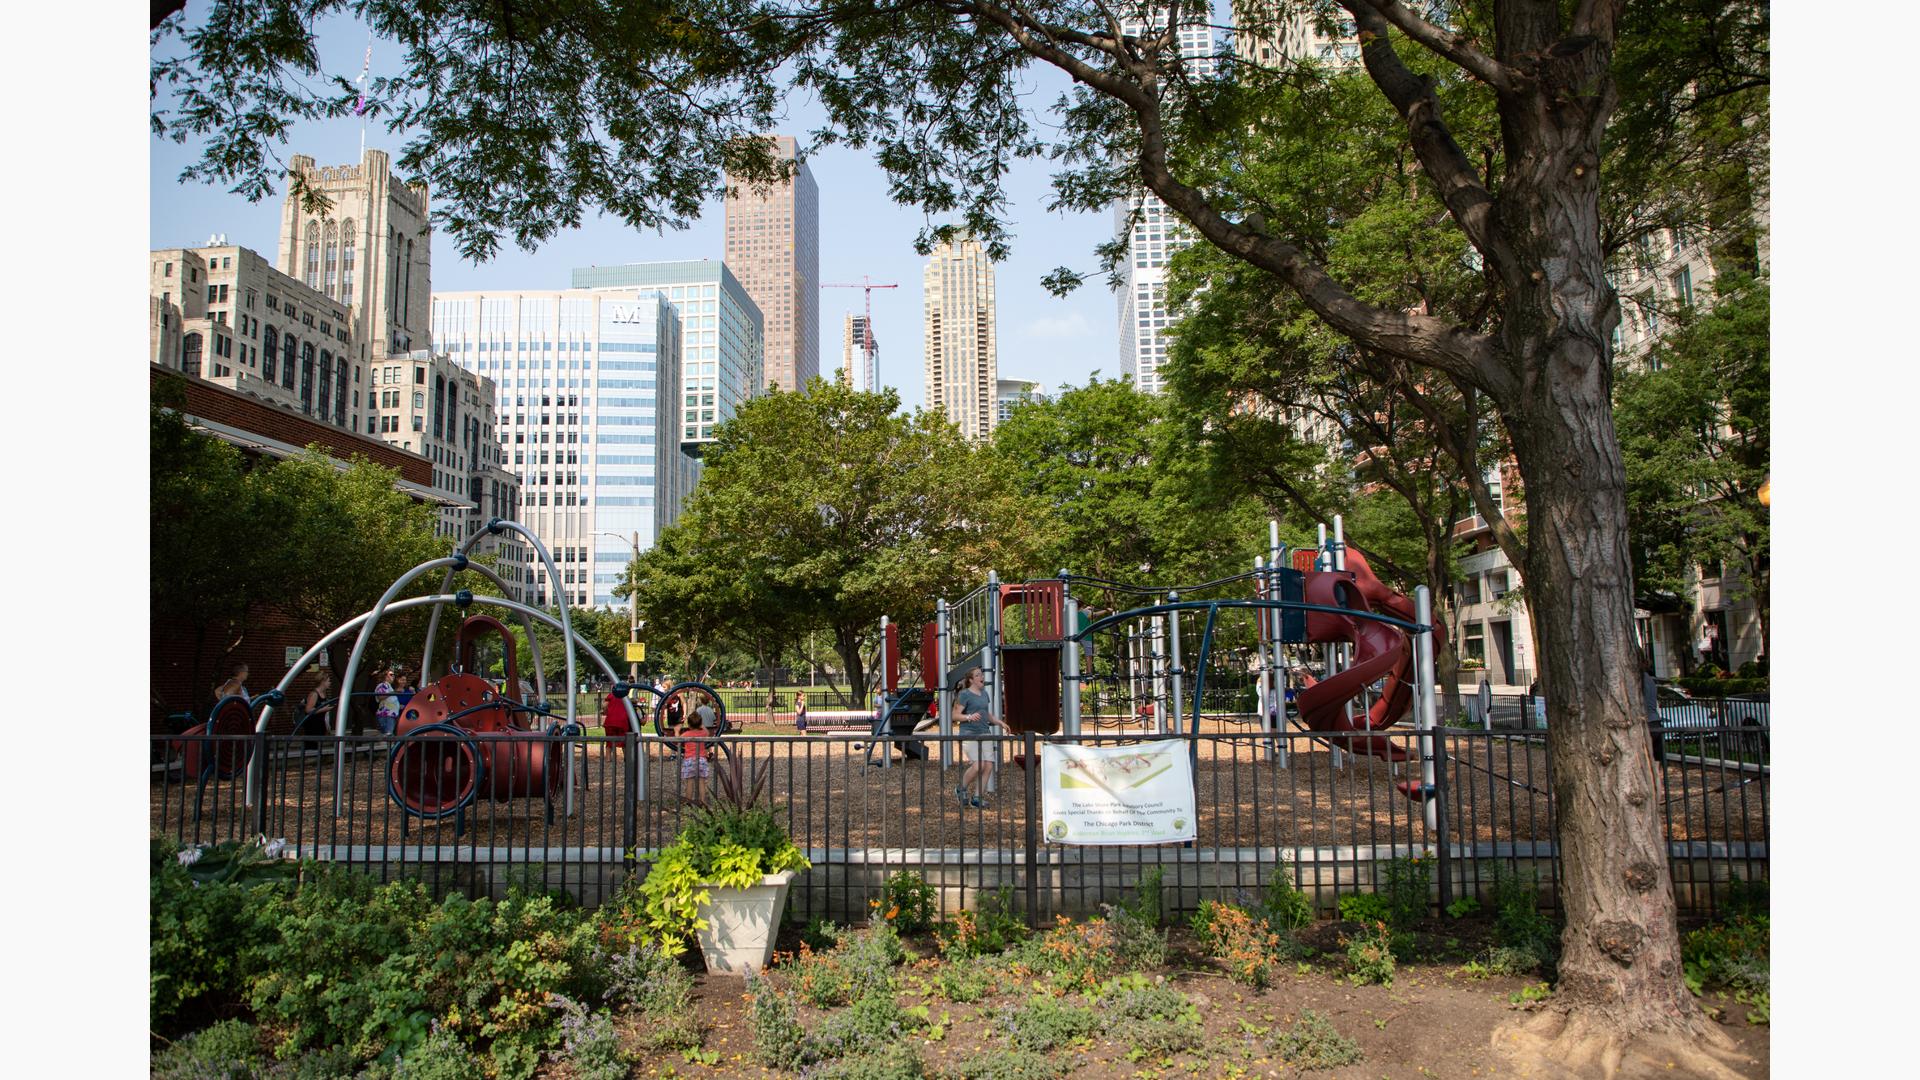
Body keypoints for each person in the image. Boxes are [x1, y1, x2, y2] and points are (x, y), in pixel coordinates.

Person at [953, 667, 1009, 808]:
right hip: (969, 734)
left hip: (985, 732)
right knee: (979, 765)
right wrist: (968, 717)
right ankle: (961, 789)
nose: (981, 677)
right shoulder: (964, 694)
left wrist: (1000, 722)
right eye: (978, 675)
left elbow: (986, 714)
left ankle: (977, 798)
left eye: (981, 674)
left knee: (988, 765)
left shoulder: (984, 693)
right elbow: (954, 715)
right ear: (971, 680)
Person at [681, 704, 711, 804]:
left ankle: (688, 801)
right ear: (700, 724)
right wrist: (702, 725)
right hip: (701, 759)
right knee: (702, 782)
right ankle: (702, 801)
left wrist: (676, 731)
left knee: (690, 782)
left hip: (689, 760)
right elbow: (707, 733)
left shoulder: (686, 734)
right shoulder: (702, 733)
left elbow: (678, 740)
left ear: (689, 725)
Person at [374, 669, 400, 736]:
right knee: (388, 736)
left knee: (389, 736)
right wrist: (394, 692)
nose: (393, 676)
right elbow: (380, 697)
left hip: (391, 715)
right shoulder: (383, 685)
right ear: (385, 676)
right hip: (386, 715)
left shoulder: (389, 686)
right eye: (391, 674)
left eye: (394, 675)